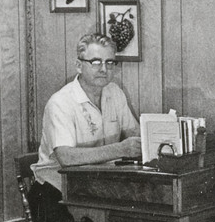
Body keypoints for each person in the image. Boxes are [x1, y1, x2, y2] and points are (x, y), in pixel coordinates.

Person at [31, 33, 140, 193]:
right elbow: (66, 157)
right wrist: (121, 149)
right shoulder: (60, 102)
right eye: (95, 62)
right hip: (57, 188)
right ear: (79, 65)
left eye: (109, 62)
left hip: (97, 184)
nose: (104, 69)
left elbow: (134, 134)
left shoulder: (115, 92)